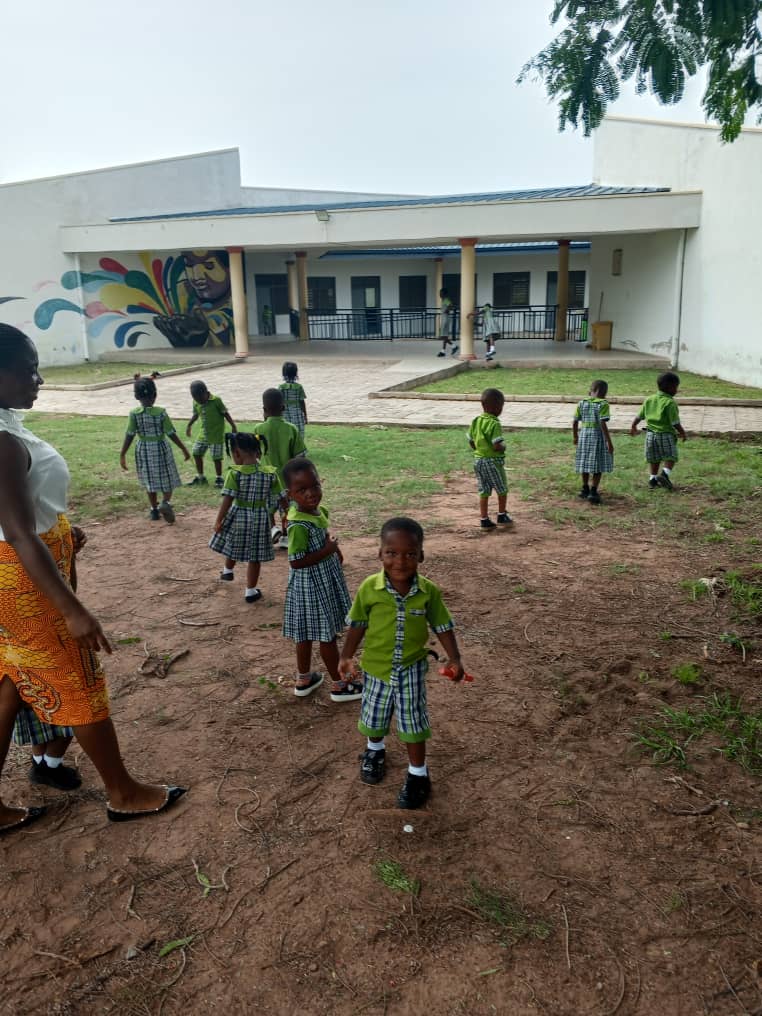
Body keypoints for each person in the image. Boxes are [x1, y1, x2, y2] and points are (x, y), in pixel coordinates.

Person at [0, 324, 186, 832]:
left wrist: (61, 532)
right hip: (26, 586)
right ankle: (122, 792)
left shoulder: (8, 425)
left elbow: (23, 517)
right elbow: (18, 533)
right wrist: (73, 610)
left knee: (10, 684)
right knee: (77, 679)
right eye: (28, 370)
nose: (38, 379)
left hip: (22, 575)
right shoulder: (2, 441)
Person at [339, 517, 465, 810]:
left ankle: (418, 774)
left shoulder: (428, 591)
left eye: (410, 553)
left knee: (413, 721)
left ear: (421, 555)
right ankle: (374, 750)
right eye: (391, 553)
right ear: (380, 554)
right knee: (375, 717)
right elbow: (357, 624)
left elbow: (442, 625)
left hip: (411, 669)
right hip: (376, 669)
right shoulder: (369, 588)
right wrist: (346, 656)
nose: (400, 561)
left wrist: (455, 658)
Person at [12, 521, 89, 792]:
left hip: (26, 637)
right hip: (39, 633)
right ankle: (50, 764)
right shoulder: (19, 538)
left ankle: (43, 763)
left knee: (35, 703)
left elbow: (68, 584)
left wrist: (68, 546)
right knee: (76, 700)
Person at [281, 457, 358, 702]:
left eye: (315, 485)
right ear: (290, 494)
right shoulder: (298, 525)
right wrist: (328, 551)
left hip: (318, 582)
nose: (311, 493)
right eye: (302, 489)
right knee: (326, 636)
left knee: (304, 634)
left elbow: (325, 536)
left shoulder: (315, 512)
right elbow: (296, 561)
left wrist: (334, 551)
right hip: (313, 586)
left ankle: (304, 680)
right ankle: (340, 685)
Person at [209, 432, 280, 603]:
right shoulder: (270, 473)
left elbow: (228, 499)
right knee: (255, 556)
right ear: (258, 451)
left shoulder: (235, 473)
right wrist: (282, 517)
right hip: (260, 518)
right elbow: (279, 497)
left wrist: (219, 520)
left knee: (235, 544)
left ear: (236, 453)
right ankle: (250, 591)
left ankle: (227, 571)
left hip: (239, 515)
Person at [120, 376, 190, 522]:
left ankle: (154, 510)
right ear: (155, 395)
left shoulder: (134, 414)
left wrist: (123, 454)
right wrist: (183, 448)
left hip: (143, 450)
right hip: (161, 448)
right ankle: (165, 502)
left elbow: (129, 434)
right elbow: (171, 433)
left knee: (149, 480)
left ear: (136, 396)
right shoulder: (161, 412)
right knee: (167, 477)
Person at [257, 388, 306, 549]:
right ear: (283, 407)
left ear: (264, 409)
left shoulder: (259, 429)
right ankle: (285, 535)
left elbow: (255, 453)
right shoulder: (291, 429)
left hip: (266, 477)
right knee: (287, 508)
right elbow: (300, 456)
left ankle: (272, 528)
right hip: (287, 479)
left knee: (267, 506)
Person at [630, 371, 687, 489]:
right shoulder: (670, 402)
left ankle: (653, 479)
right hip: (665, 434)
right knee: (671, 456)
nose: (677, 390)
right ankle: (665, 474)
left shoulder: (649, 399)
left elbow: (639, 416)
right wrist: (682, 432)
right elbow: (675, 422)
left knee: (654, 458)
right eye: (676, 387)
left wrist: (633, 425)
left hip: (650, 435)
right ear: (670, 387)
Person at [468, 388, 512, 529]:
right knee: (502, 488)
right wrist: (503, 447)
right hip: (493, 462)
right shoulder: (494, 423)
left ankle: (484, 519)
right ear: (498, 407)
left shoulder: (476, 420)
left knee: (484, 490)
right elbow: (496, 445)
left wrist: (478, 450)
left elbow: (471, 441)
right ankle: (501, 515)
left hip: (478, 461)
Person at [186, 380, 237, 487]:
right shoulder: (195, 402)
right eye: (196, 399)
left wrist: (233, 426)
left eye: (200, 399)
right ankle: (201, 477)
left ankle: (219, 478)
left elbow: (225, 413)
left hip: (216, 435)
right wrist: (189, 425)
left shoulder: (216, 400)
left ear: (206, 392)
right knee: (196, 452)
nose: (199, 401)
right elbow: (195, 415)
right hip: (203, 434)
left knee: (216, 457)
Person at [572, 379, 614, 505]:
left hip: (584, 436)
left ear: (590, 391)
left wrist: (575, 436)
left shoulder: (582, 403)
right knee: (598, 464)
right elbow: (602, 423)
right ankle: (593, 491)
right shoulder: (603, 404)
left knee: (584, 462)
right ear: (605, 393)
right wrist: (609, 442)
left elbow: (574, 422)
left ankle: (585, 488)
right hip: (598, 437)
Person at [278, 362, 308, 438]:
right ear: (295, 374)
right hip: (297, 414)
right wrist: (305, 415)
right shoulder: (299, 387)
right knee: (298, 432)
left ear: (284, 374)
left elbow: (278, 403)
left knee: (286, 433)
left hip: (285, 415)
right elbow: (302, 402)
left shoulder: (281, 387)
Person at [436, 289, 458, 357]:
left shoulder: (446, 300)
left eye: (441, 293)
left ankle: (454, 346)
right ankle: (443, 351)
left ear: (444, 294)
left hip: (445, 318)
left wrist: (446, 310)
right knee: (444, 335)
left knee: (442, 336)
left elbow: (451, 305)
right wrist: (447, 310)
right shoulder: (444, 300)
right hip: (445, 318)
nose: (440, 294)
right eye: (439, 293)